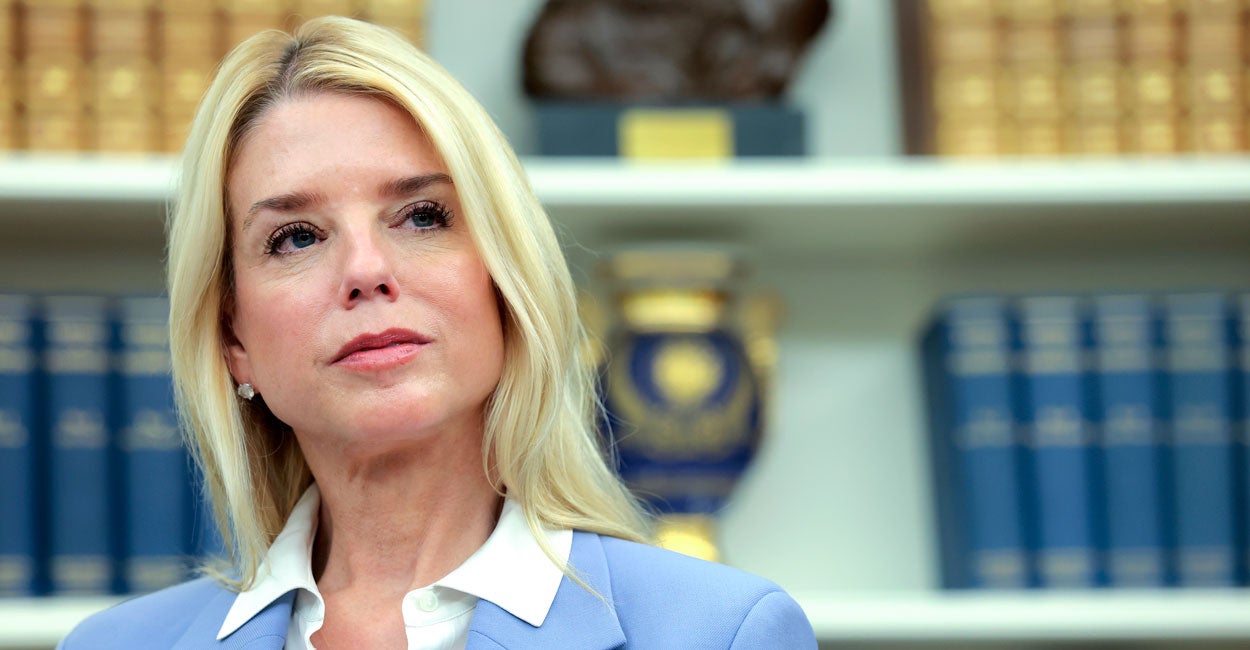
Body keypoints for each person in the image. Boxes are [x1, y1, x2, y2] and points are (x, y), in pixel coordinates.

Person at [60, 16, 816, 649]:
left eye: (423, 216)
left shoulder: (723, 633)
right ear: (234, 339)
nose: (365, 270)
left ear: (505, 281)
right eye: (296, 237)